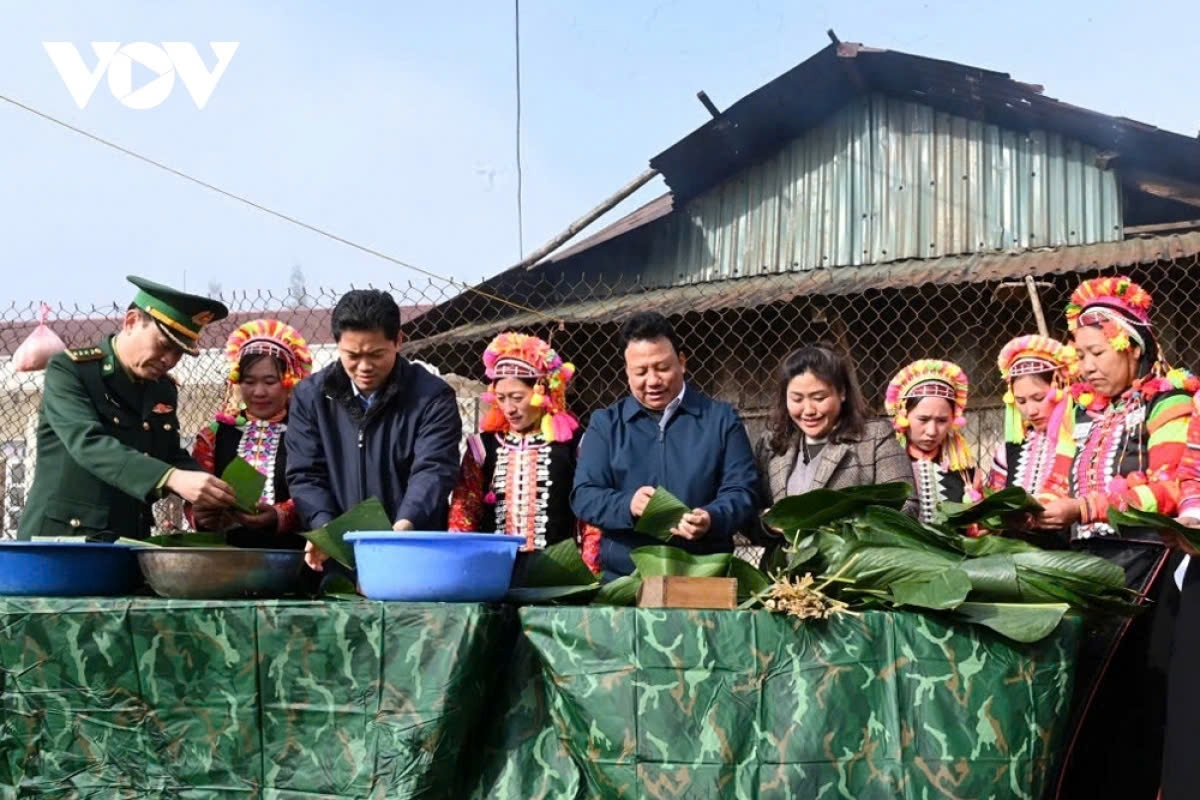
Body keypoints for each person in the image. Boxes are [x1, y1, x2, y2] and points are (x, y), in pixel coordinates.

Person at [1033, 276, 1199, 800]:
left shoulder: (1168, 401)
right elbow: (1056, 481)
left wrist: (1084, 507)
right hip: (1081, 563)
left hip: (1146, 568)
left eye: (1097, 352)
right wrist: (1033, 511)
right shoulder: (1077, 410)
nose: (1086, 367)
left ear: (1133, 347)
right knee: (1078, 694)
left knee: (1130, 697)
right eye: (1080, 355)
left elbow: (1170, 490)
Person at [18, 276, 237, 540]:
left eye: (180, 353)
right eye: (164, 345)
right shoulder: (71, 370)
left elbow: (168, 453)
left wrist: (209, 491)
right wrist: (172, 478)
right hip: (63, 542)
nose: (169, 360)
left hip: (128, 539)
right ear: (131, 321)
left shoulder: (162, 388)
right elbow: (88, 443)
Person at [570, 312, 759, 580]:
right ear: (627, 373)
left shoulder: (720, 420)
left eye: (662, 368)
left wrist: (711, 518)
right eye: (641, 372)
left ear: (682, 362)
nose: (653, 381)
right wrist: (628, 505)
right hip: (626, 578)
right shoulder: (606, 424)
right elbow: (585, 496)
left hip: (703, 574)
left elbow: (743, 491)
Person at [286, 289, 462, 571]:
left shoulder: (432, 397)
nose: (364, 367)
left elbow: (434, 469)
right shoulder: (311, 396)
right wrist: (325, 529)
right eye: (352, 355)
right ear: (337, 345)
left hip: (412, 551)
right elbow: (305, 473)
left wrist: (404, 526)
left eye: (376, 354)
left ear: (398, 341)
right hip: (337, 557)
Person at [447, 332, 601, 571]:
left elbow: (591, 519)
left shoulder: (573, 446)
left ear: (542, 392)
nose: (509, 408)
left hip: (558, 575)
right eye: (501, 398)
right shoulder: (482, 447)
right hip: (493, 570)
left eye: (517, 397)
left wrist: (589, 572)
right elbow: (464, 511)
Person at [188, 319, 313, 549]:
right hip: (228, 559)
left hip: (295, 556)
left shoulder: (308, 433)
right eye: (249, 381)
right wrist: (204, 516)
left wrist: (280, 514)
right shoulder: (214, 436)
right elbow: (194, 493)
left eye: (270, 381)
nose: (259, 392)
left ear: (288, 382)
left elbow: (321, 491)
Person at [754, 344, 914, 508]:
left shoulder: (874, 438)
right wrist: (770, 527)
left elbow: (905, 504)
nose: (808, 410)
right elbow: (756, 512)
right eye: (797, 399)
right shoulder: (772, 445)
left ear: (842, 393)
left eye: (819, 398)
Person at [884, 359, 979, 524]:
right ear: (903, 415)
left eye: (942, 421)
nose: (932, 431)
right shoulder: (886, 465)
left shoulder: (965, 471)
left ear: (953, 420)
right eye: (923, 419)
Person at [986, 335, 1076, 497]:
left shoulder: (1081, 440)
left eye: (1039, 398)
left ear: (1060, 388)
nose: (1031, 411)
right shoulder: (1008, 452)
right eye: (1021, 401)